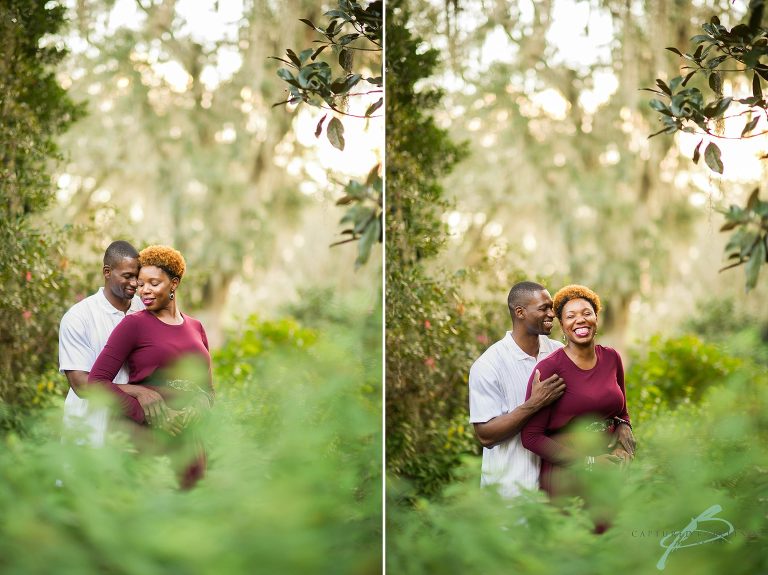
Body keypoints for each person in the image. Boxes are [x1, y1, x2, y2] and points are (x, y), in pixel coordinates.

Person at [87, 245, 214, 488]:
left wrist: (201, 404)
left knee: (191, 518)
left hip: (189, 444)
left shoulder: (196, 327)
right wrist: (147, 408)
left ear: (174, 283)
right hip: (146, 439)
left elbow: (208, 391)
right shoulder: (133, 325)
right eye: (141, 283)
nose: (144, 291)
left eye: (153, 283)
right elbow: (97, 382)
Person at [521, 284, 636, 504]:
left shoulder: (612, 358)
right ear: (562, 326)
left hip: (609, 473)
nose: (580, 320)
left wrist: (624, 431)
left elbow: (622, 411)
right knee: (575, 536)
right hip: (567, 477)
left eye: (586, 313)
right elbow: (531, 437)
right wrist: (590, 462)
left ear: (596, 318)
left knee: (610, 535)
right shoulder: (549, 369)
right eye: (571, 316)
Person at [59, 240, 166, 446]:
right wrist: (139, 391)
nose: (135, 283)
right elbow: (81, 384)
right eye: (127, 276)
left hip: (135, 429)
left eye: (137, 276)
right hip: (89, 426)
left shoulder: (147, 311)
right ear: (107, 272)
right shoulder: (79, 317)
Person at [468, 281, 567, 498]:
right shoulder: (488, 365)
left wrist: (621, 423)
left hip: (556, 492)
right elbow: (485, 435)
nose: (552, 313)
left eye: (552, 307)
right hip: (509, 496)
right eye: (543, 308)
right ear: (520, 312)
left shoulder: (560, 353)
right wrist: (535, 403)